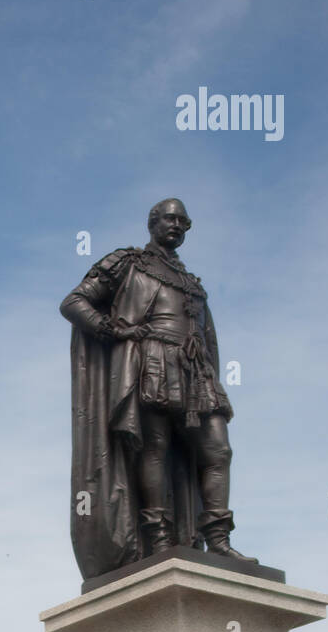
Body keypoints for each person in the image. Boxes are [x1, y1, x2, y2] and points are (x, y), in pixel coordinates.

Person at [60, 197, 257, 579]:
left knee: (217, 449)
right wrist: (114, 329)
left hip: (194, 370)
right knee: (154, 450)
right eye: (170, 218)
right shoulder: (127, 262)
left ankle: (217, 539)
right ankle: (161, 539)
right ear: (152, 223)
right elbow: (74, 302)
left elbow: (208, 337)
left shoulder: (192, 283)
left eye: (184, 221)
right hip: (151, 362)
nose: (177, 225)